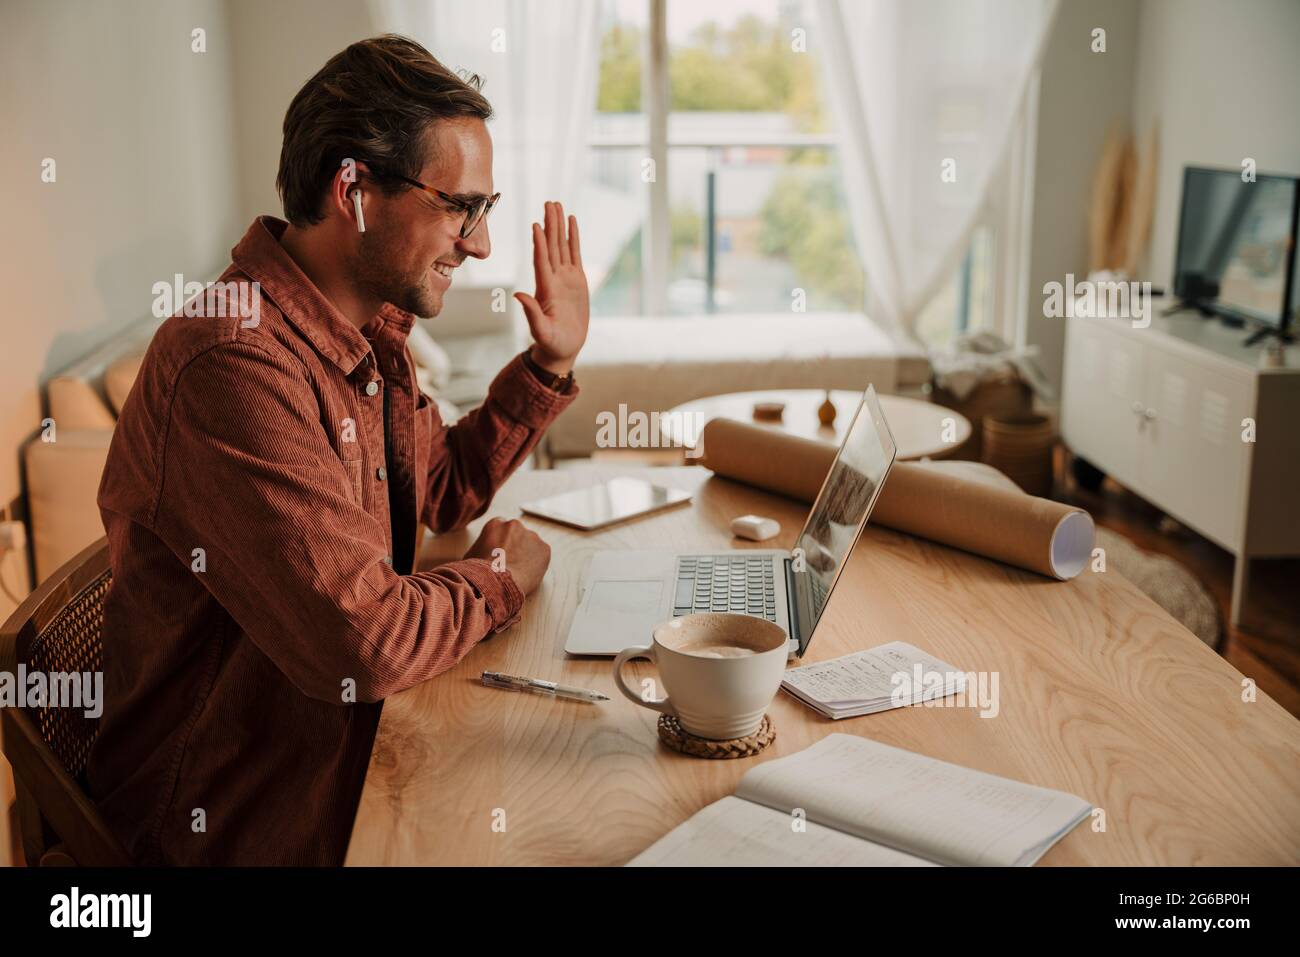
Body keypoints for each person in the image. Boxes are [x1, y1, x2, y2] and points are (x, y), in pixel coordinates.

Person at [86, 35, 588, 865]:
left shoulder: (363, 335)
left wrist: (550, 363)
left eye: (485, 209)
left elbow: (445, 487)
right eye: (461, 207)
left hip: (338, 765)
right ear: (352, 188)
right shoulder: (232, 364)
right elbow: (366, 642)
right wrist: (498, 579)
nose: (481, 244)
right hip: (233, 825)